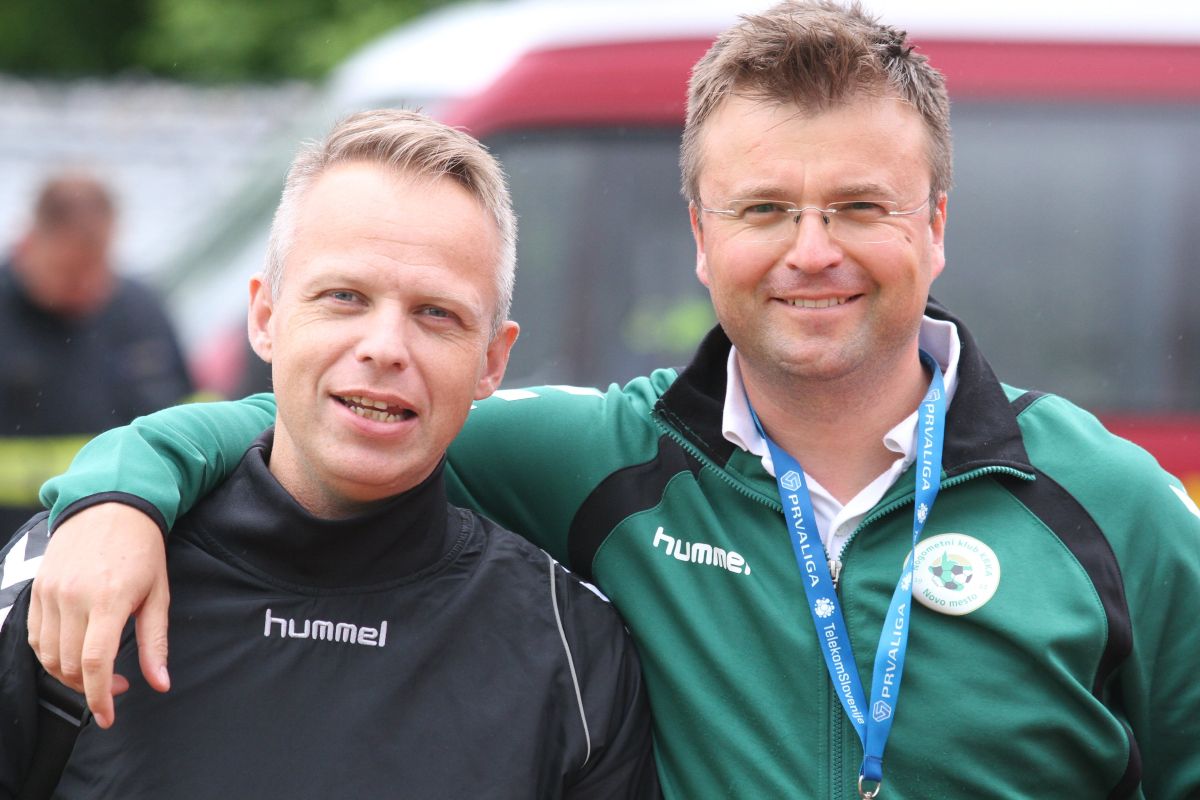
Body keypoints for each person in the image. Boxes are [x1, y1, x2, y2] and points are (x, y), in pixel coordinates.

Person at [17, 2, 1200, 797]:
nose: (811, 249)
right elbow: (323, 416)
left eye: (859, 206)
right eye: (763, 209)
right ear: (700, 235)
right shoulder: (599, 462)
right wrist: (119, 494)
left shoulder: (1116, 505)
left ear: (933, 224)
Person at [0, 109, 657, 798]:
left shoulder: (571, 653)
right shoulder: (81, 570)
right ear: (266, 318)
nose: (385, 347)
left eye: (437, 313)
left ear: (493, 361)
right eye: (344, 296)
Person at [0, 173, 194, 535]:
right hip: (13, 545)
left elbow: (192, 411)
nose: (87, 288)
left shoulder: (141, 310)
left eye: (98, 266)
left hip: (125, 534)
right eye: (68, 272)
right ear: (27, 245)